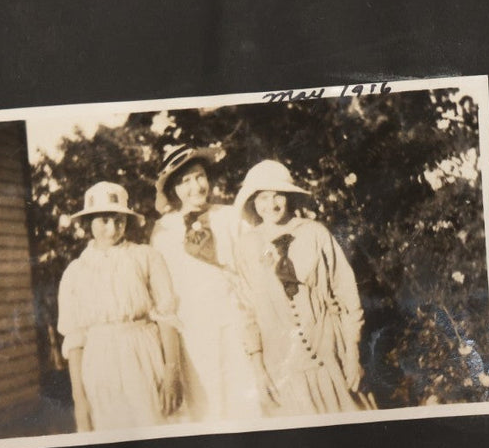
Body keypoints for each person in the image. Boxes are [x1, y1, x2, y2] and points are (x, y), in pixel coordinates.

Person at [230, 160, 372, 416]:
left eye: (278, 196)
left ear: (289, 197)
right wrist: (259, 368)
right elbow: (246, 311)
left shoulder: (315, 233)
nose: (271, 204)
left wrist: (352, 354)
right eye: (263, 197)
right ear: (253, 201)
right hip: (281, 363)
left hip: (330, 352)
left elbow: (346, 293)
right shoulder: (246, 246)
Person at [149, 146, 266, 422]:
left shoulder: (230, 217)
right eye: (185, 181)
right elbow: (163, 293)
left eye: (199, 176)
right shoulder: (163, 230)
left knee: (247, 404)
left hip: (237, 325)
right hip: (193, 333)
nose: (195, 187)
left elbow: (256, 266)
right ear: (174, 190)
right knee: (207, 408)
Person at [56, 181, 182, 432]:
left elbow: (167, 316)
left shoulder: (146, 257)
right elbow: (75, 339)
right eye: (103, 220)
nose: (112, 229)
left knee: (157, 429)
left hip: (144, 354)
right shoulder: (76, 272)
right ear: (88, 222)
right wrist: (80, 402)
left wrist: (172, 373)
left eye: (119, 220)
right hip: (100, 363)